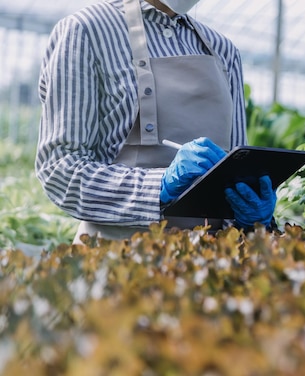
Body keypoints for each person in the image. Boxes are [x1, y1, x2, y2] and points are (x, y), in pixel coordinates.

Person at [35, 0, 277, 244]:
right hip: (117, 260)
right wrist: (157, 186)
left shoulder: (224, 51)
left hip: (212, 267)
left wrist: (251, 218)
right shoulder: (87, 30)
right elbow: (59, 169)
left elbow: (235, 167)